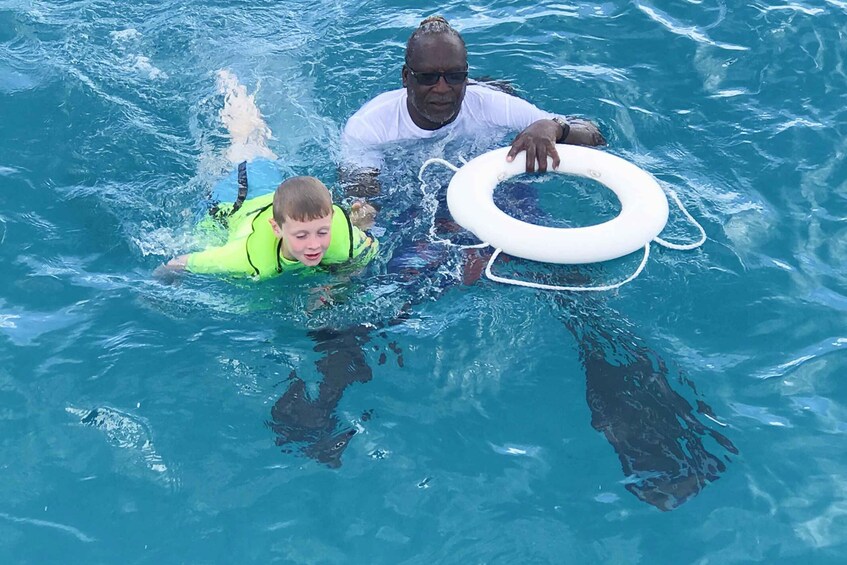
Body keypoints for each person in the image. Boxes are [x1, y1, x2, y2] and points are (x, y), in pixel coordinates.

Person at [340, 15, 606, 195]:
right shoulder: (369, 127)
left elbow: (594, 134)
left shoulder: (492, 106)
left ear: (466, 77)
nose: (443, 88)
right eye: (428, 77)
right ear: (406, 78)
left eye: (455, 76)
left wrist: (552, 127)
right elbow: (361, 198)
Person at [158, 70, 378, 280]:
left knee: (260, 148)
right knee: (241, 147)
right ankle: (231, 87)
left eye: (322, 232)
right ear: (277, 229)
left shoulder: (345, 238)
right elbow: (177, 263)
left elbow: (361, 260)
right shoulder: (245, 257)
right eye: (301, 236)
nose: (314, 244)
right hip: (237, 197)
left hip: (274, 190)